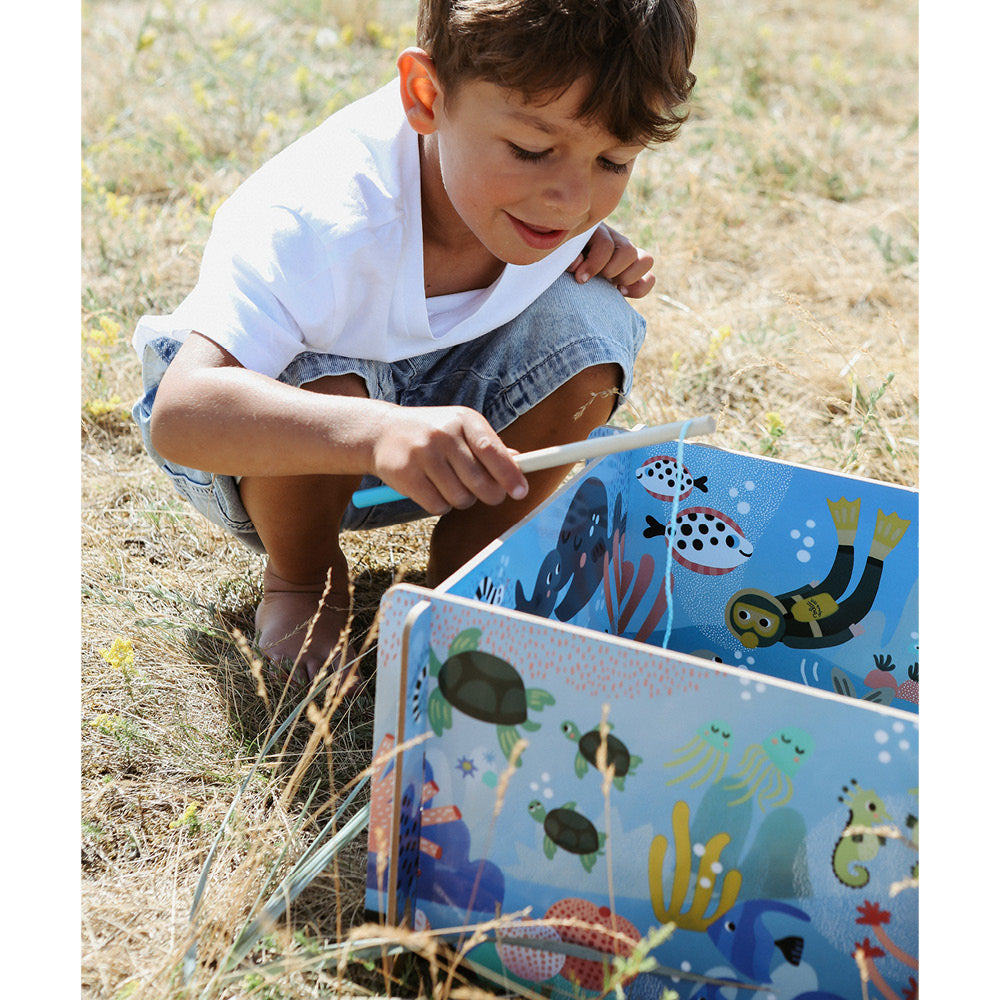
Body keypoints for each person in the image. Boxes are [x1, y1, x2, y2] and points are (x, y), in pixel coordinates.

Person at [132, 0, 698, 684]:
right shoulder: (319, 220)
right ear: (426, 97)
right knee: (324, 371)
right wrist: (374, 430)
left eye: (613, 161)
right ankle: (304, 579)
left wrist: (586, 258)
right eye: (530, 150)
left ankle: (472, 570)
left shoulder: (542, 195)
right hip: (269, 448)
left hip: (447, 455)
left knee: (593, 319)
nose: (570, 200)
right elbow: (183, 415)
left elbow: (564, 220)